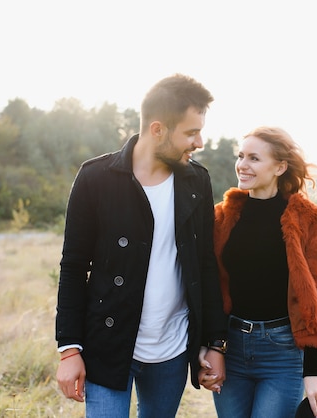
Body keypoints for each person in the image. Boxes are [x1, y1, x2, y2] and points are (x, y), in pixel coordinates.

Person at [55, 73, 228, 418]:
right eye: (191, 132)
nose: (200, 142)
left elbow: (205, 265)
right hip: (109, 345)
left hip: (172, 351)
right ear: (158, 129)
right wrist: (69, 350)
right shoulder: (96, 178)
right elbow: (74, 266)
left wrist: (215, 343)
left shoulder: (197, 181)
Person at [206, 126, 317, 418]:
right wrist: (211, 347)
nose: (242, 164)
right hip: (232, 348)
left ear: (280, 166)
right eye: (241, 156)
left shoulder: (313, 222)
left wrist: (313, 369)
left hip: (283, 353)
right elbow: (210, 288)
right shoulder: (221, 217)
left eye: (254, 158)